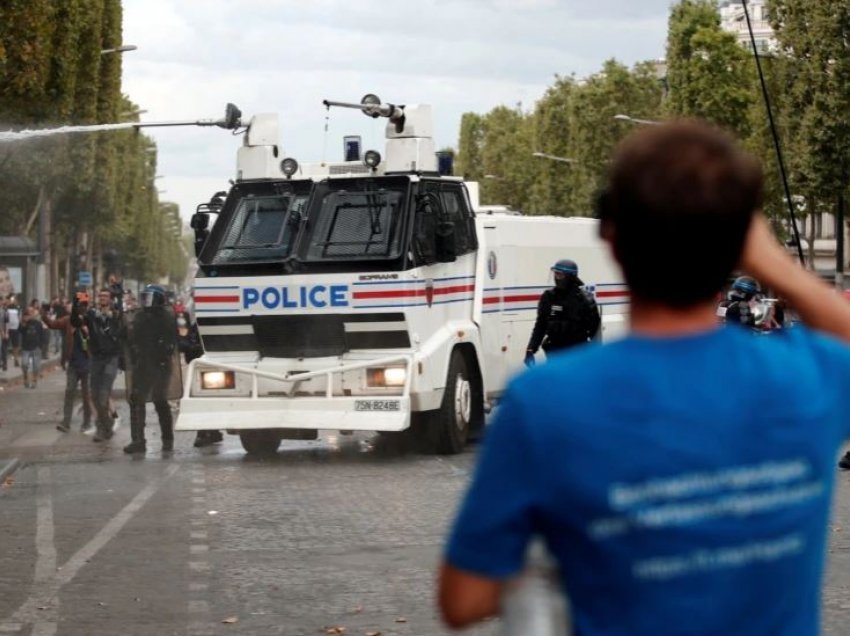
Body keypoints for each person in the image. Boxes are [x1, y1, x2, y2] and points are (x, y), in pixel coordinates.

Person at [439, 121, 850, 635]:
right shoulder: (807, 377)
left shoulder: (546, 403)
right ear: (739, 243)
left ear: (611, 236)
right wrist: (775, 263)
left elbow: (464, 598)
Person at [123, 284, 178, 454]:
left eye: (150, 298)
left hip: (160, 364)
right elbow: (130, 338)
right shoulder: (138, 316)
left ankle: (167, 439)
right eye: (144, 297)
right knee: (136, 400)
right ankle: (138, 440)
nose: (146, 302)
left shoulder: (166, 317)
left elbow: (172, 340)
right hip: (143, 363)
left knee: (160, 400)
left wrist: (165, 350)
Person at [525, 259, 600, 366]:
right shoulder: (548, 297)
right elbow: (541, 325)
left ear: (570, 277)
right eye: (555, 274)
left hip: (577, 353)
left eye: (560, 275)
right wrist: (531, 349)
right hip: (554, 353)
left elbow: (594, 330)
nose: (556, 278)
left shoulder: (585, 299)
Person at [73, 287, 123, 442]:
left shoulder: (116, 315)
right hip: (96, 359)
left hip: (111, 359)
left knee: (103, 395)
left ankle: (102, 427)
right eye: (100, 296)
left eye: (105, 296)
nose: (102, 298)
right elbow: (76, 321)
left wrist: (119, 297)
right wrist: (77, 302)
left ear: (111, 299)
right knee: (93, 395)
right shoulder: (92, 315)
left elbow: (123, 330)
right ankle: (106, 424)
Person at [45, 292, 92, 433]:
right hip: (73, 364)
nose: (81, 307)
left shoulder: (91, 320)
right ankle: (66, 422)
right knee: (69, 392)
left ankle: (87, 422)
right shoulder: (68, 320)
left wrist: (88, 332)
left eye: (83, 305)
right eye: (78, 305)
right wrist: (43, 314)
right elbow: (53, 324)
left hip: (88, 364)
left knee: (86, 395)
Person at [176, 309, 222, 448]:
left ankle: (206, 432)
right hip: (199, 366)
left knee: (204, 400)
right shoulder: (196, 325)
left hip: (206, 366)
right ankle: (210, 432)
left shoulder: (207, 324)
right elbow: (187, 343)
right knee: (204, 400)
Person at [19, 307, 45, 388]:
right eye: (28, 312)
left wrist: (41, 346)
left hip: (36, 347)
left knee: (36, 366)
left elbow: (42, 334)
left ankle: (34, 381)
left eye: (31, 312)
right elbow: (20, 331)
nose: (30, 314)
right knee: (24, 364)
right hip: (26, 347)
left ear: (34, 313)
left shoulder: (38, 323)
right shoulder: (24, 323)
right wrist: (24, 322)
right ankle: (25, 377)